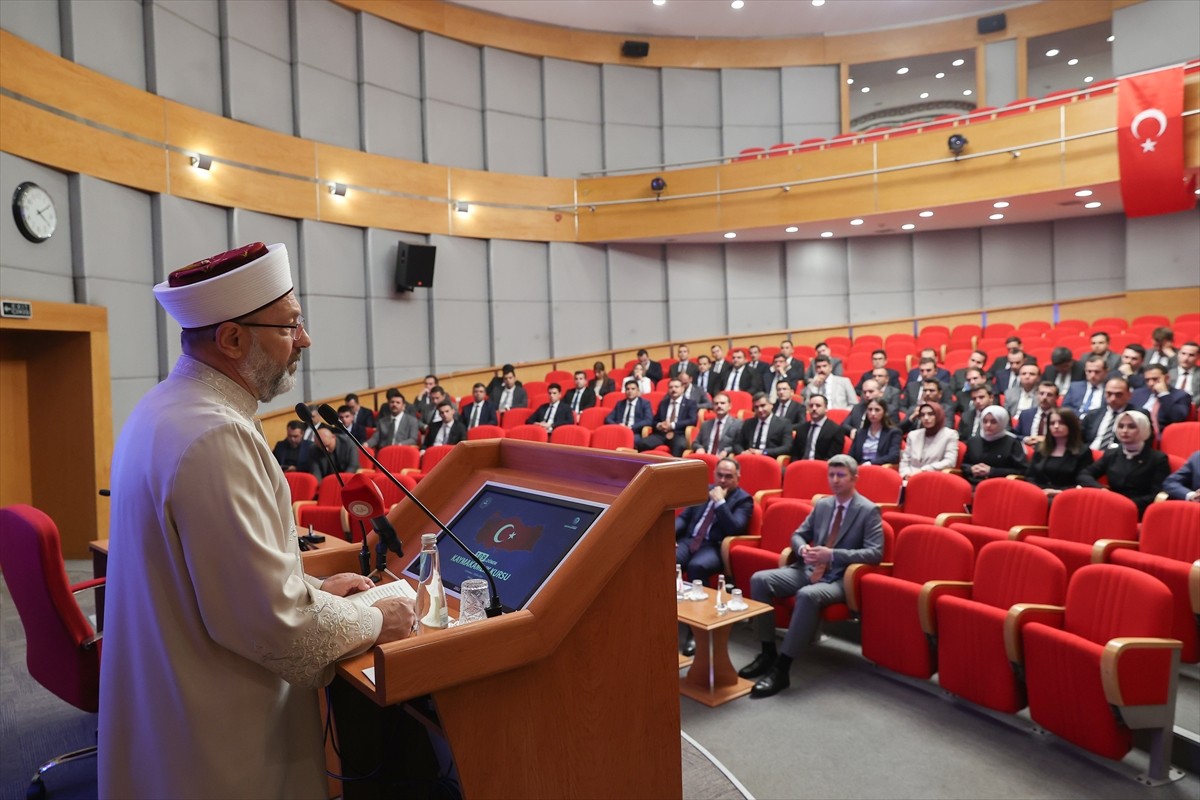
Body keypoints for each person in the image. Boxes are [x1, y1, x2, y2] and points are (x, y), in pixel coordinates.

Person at [99, 242, 415, 799]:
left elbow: (214, 578)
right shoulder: (218, 435)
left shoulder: (159, 409)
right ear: (233, 338)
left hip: (166, 709)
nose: (305, 340)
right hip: (218, 739)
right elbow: (275, 627)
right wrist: (375, 620)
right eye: (290, 326)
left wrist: (317, 586)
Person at [740, 455, 884, 698]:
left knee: (807, 595)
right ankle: (767, 652)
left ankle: (782, 669)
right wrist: (802, 549)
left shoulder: (868, 510)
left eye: (841, 475)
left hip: (838, 579)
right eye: (831, 475)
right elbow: (798, 534)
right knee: (759, 579)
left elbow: (875, 552)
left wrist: (834, 555)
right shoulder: (824, 505)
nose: (835, 481)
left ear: (854, 478)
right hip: (806, 570)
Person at [675, 457, 753, 656]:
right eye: (719, 475)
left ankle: (696, 631)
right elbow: (684, 518)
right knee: (667, 558)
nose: (723, 480)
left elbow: (734, 528)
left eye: (728, 476)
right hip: (689, 540)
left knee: (697, 567)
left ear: (738, 477)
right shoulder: (704, 489)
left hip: (714, 546)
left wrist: (720, 502)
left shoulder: (744, 500)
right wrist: (668, 535)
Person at [1078, 409, 1170, 517]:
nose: (1124, 431)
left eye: (1131, 427)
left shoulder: (1158, 458)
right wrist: (1100, 489)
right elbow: (1084, 474)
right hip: (1109, 505)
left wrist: (1123, 504)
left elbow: (1156, 494)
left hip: (1137, 510)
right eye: (1121, 426)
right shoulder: (1112, 454)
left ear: (1143, 429)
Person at [1025, 408, 1094, 496]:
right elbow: (1030, 476)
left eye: (1061, 423)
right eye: (1052, 423)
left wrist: (1059, 492)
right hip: (1038, 494)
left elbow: (1083, 482)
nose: (1056, 426)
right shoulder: (1040, 448)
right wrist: (1037, 491)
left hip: (1066, 497)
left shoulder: (1083, 451)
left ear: (1071, 425)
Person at [962, 405, 1027, 487]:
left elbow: (1022, 471)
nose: (988, 425)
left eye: (993, 422)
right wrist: (971, 469)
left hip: (999, 486)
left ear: (1002, 422)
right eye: (985, 421)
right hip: (972, 484)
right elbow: (964, 464)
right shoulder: (973, 441)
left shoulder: (1012, 443)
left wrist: (992, 471)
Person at [899, 403, 959, 480]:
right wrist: (905, 474)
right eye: (922, 415)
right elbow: (905, 461)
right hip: (909, 478)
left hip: (933, 477)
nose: (926, 418)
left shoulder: (950, 435)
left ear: (938, 415)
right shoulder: (913, 435)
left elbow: (950, 462)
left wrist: (923, 471)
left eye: (931, 414)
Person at [640, 378, 698, 456]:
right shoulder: (664, 403)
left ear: (682, 389)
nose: (673, 389)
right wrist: (659, 425)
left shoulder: (690, 403)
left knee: (679, 446)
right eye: (671, 387)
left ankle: (673, 468)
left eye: (676, 387)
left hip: (679, 434)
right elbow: (655, 420)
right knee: (643, 443)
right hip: (661, 434)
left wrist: (672, 425)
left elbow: (692, 420)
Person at [1130, 363, 1191, 437]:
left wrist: (1163, 394)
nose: (1151, 383)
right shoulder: (1137, 393)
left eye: (1155, 379)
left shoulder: (1182, 395)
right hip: (1135, 434)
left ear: (1167, 378)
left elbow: (1177, 418)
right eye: (1147, 380)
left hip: (1164, 436)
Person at [1081, 377, 1132, 450]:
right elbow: (1080, 439)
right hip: (1090, 455)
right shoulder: (1092, 415)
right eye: (1109, 393)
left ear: (1129, 395)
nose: (1113, 398)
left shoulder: (1137, 415)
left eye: (1118, 394)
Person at [735, 392, 793, 457]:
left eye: (763, 405)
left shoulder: (783, 424)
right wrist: (742, 452)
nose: (760, 410)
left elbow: (787, 448)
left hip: (768, 458)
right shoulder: (748, 423)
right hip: (749, 457)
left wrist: (763, 452)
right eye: (756, 407)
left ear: (771, 405)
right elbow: (737, 443)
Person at [791, 395, 846, 462]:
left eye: (818, 405)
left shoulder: (836, 430)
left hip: (822, 468)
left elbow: (832, 458)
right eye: (811, 406)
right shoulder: (801, 429)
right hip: (801, 466)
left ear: (826, 408)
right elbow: (795, 455)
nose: (814, 408)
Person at [848, 398, 901, 467]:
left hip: (880, 468)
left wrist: (871, 463)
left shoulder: (893, 433)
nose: (873, 413)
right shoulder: (860, 433)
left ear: (884, 412)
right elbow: (851, 456)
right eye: (870, 410)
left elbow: (894, 456)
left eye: (877, 410)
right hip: (860, 468)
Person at [690, 392, 742, 458]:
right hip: (706, 458)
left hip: (724, 460)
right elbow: (695, 443)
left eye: (722, 403)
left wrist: (727, 451)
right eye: (716, 404)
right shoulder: (706, 424)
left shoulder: (737, 424)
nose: (719, 406)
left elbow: (738, 445)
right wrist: (699, 448)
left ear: (729, 406)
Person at [605, 380, 653, 447]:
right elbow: (608, 418)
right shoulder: (620, 404)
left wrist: (631, 427)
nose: (630, 391)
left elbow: (649, 420)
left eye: (633, 389)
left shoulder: (645, 403)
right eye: (627, 389)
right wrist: (618, 426)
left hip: (634, 432)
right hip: (619, 431)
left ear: (638, 391)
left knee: (633, 440)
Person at [1015, 381, 1060, 446]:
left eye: (1049, 395)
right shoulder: (1026, 414)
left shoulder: (1062, 415)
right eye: (1041, 394)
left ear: (1056, 398)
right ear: (1037, 394)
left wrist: (1047, 439)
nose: (1044, 397)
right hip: (1029, 449)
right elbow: (1015, 434)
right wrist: (1026, 439)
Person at [1168, 341, 1199, 405]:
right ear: (1178, 354)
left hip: (1192, 407)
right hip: (1170, 406)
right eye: (1183, 353)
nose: (1186, 358)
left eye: (1191, 355)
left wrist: (1191, 405)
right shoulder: (1168, 373)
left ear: (1198, 357)